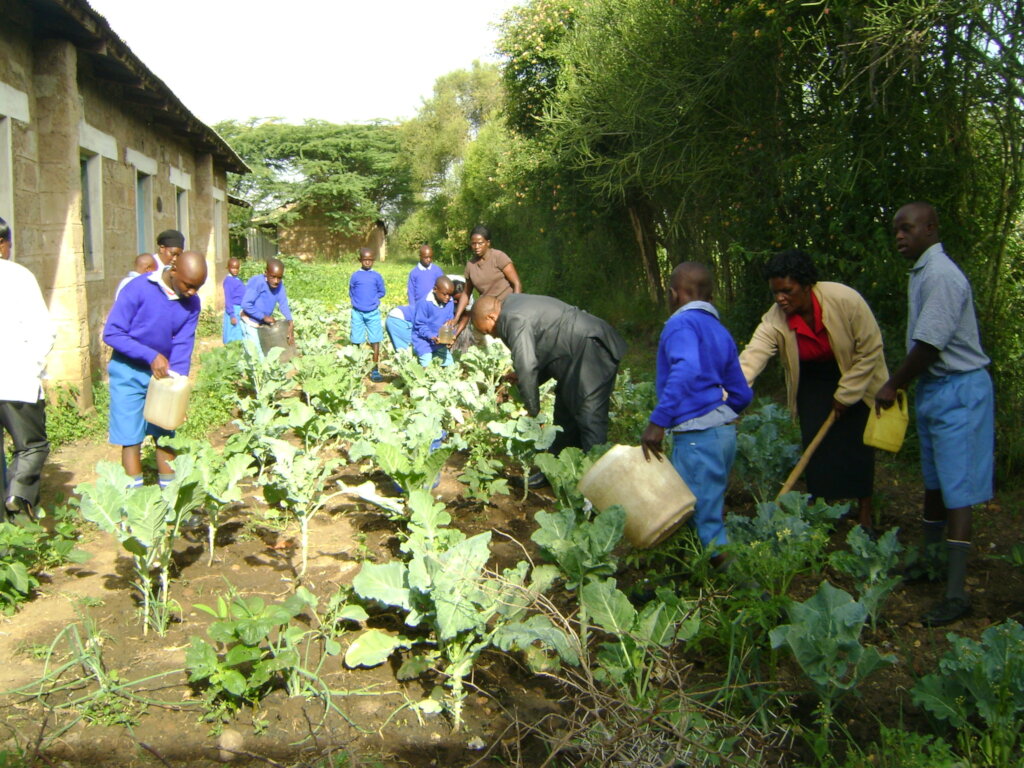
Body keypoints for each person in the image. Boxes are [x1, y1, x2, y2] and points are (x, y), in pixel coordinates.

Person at [875, 202, 994, 627]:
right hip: (936, 389)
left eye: (907, 228)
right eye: (896, 231)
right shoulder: (922, 271)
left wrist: (893, 384)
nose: (900, 236)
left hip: (960, 389)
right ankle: (929, 563)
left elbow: (929, 345)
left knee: (958, 486)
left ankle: (956, 592)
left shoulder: (942, 275)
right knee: (934, 480)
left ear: (930, 228)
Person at [739, 249, 888, 533]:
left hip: (853, 372)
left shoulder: (845, 300)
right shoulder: (775, 319)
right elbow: (752, 357)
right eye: (775, 293)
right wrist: (727, 396)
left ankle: (865, 512)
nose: (780, 298)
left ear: (807, 285)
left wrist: (846, 395)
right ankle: (825, 510)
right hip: (813, 379)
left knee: (858, 444)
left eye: (787, 291)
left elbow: (870, 349)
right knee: (816, 445)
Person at [641, 263, 752, 564]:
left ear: (674, 294)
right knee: (695, 508)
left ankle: (748, 593)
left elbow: (686, 367)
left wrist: (658, 422)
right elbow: (742, 393)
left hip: (696, 440)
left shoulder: (679, 325)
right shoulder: (719, 330)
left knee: (704, 519)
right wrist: (720, 416)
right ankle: (686, 573)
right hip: (722, 435)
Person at [471, 293, 626, 487]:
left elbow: (526, 364)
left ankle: (599, 486)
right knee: (564, 416)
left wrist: (533, 411)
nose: (491, 335)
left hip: (591, 350)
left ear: (491, 317)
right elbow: (545, 343)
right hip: (573, 355)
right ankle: (556, 472)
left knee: (589, 417)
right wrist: (523, 377)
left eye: (487, 330)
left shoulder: (512, 318)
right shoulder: (512, 305)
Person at [103, 251, 207, 489]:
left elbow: (183, 342)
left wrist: (178, 381)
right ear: (174, 271)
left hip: (164, 375)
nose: (193, 292)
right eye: (189, 285)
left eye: (198, 287)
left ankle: (170, 498)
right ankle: (135, 502)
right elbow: (112, 332)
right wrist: (150, 355)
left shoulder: (192, 302)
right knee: (131, 438)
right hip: (129, 371)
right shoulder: (138, 289)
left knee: (165, 432)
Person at [0, 218, 56, 519]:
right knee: (31, 445)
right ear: (3, 244)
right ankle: (18, 496)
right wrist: (34, 365)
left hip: (14, 375)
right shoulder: (19, 276)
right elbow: (43, 331)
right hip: (15, 379)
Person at [453, 226, 522, 342]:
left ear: (488, 243)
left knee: (511, 340)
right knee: (486, 343)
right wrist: (456, 317)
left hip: (506, 306)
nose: (476, 247)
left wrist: (514, 308)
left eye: (480, 243)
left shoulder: (498, 257)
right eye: (473, 244)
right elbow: (466, 293)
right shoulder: (471, 265)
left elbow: (516, 283)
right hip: (487, 311)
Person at [240, 258, 294, 358]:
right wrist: (263, 317)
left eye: (279, 278)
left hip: (262, 323)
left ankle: (249, 368)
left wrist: (290, 321)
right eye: (273, 277)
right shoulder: (257, 282)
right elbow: (246, 304)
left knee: (263, 351)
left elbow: (283, 304)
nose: (276, 281)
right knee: (255, 353)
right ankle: (251, 371)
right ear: (266, 273)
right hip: (249, 321)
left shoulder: (280, 286)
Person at [349, 248, 386, 382]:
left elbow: (382, 292)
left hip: (373, 312)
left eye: (370, 260)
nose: (367, 262)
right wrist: (356, 302)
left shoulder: (376, 276)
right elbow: (351, 291)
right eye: (365, 260)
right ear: (360, 260)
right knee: (356, 339)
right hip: (357, 312)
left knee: (375, 339)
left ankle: (375, 369)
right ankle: (356, 367)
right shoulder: (355, 276)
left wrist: (373, 300)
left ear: (373, 261)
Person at [412, 276, 456, 367]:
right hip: (424, 341)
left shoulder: (450, 302)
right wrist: (431, 337)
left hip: (440, 342)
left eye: (450, 295)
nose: (447, 297)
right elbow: (420, 325)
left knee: (451, 366)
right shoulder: (424, 303)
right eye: (445, 294)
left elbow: (449, 321)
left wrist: (450, 337)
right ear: (435, 289)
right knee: (427, 365)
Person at [222, 257, 245, 345]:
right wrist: (232, 315)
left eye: (237, 268)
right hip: (233, 309)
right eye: (233, 268)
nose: (235, 270)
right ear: (228, 268)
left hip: (239, 309)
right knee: (232, 333)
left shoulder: (237, 279)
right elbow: (228, 298)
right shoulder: (228, 281)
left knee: (238, 333)